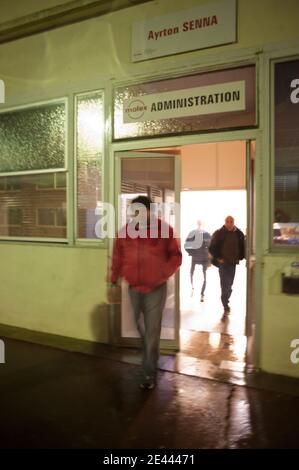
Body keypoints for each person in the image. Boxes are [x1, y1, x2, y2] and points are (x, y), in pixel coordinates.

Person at [109, 195, 182, 390]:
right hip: (133, 287)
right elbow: (118, 257)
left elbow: (176, 256)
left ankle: (148, 373)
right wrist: (113, 280)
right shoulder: (125, 232)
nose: (134, 214)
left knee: (152, 330)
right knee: (139, 325)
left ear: (149, 210)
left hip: (155, 288)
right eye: (132, 210)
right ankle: (151, 355)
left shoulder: (165, 230)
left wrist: (162, 274)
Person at [209, 215, 245, 319]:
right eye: (227, 221)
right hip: (223, 264)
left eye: (231, 221)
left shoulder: (239, 233)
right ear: (225, 222)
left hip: (233, 263)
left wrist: (241, 256)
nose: (229, 223)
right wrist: (218, 258)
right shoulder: (219, 233)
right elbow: (211, 247)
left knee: (230, 285)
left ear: (234, 222)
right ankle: (225, 306)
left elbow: (242, 246)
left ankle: (226, 299)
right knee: (224, 286)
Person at [184, 220, 211, 301]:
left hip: (201, 258)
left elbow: (211, 246)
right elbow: (186, 245)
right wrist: (191, 253)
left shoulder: (203, 234)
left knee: (199, 275)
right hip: (200, 258)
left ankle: (198, 291)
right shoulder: (200, 233)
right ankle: (198, 291)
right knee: (199, 275)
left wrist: (191, 253)